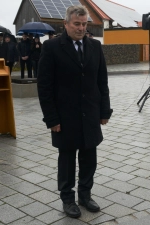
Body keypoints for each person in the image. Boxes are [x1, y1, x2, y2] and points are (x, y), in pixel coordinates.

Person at [37, 5, 113, 219]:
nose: (81, 28)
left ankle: (85, 195)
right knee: (67, 159)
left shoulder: (95, 47)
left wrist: (104, 110)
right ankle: (68, 199)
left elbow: (102, 81)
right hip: (65, 116)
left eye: (84, 24)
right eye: (77, 24)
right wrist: (51, 118)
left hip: (90, 113)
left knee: (90, 156)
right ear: (66, 24)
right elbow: (44, 87)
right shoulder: (52, 48)